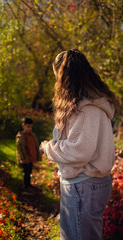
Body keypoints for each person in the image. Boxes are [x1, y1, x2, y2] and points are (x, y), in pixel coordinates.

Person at [40, 49, 119, 240]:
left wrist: (47, 148)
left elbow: (79, 151)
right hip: (87, 184)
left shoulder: (88, 109)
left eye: (57, 76)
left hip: (83, 184)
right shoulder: (89, 105)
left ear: (65, 76)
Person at [16, 117, 41, 193]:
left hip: (30, 157)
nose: (30, 128)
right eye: (28, 127)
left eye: (31, 127)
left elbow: (35, 146)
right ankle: (26, 186)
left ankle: (28, 184)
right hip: (25, 158)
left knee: (29, 171)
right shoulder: (21, 137)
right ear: (23, 126)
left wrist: (37, 154)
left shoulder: (32, 135)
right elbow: (19, 150)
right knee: (26, 172)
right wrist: (22, 158)